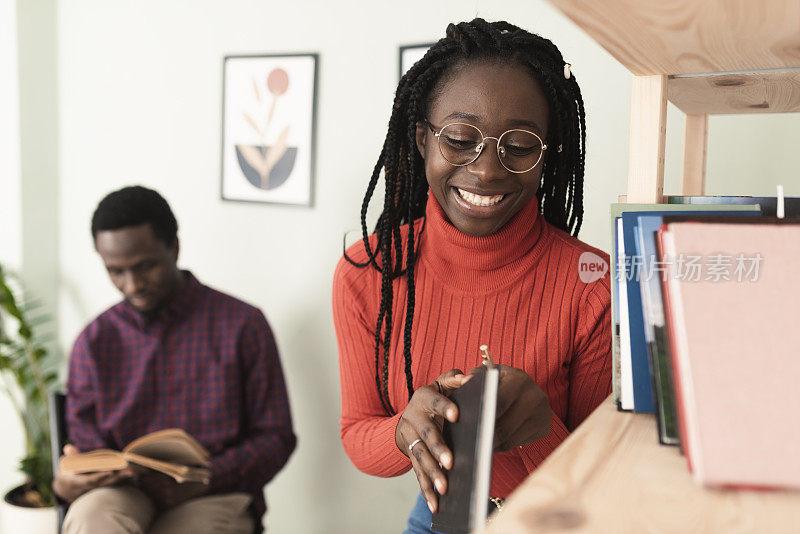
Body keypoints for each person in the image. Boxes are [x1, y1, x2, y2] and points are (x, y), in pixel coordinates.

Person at [332, 19, 611, 533]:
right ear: (422, 139)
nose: (486, 170)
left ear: (549, 153)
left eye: (521, 145)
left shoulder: (593, 284)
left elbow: (606, 474)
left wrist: (541, 426)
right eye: (461, 138)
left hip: (559, 518)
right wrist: (405, 430)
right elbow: (356, 437)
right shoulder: (369, 272)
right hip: (440, 514)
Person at [53, 186, 296, 534]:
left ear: (174, 247)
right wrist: (74, 481)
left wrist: (204, 477)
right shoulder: (94, 341)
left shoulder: (243, 325)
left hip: (213, 492)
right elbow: (88, 446)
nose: (132, 284)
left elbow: (275, 437)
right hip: (123, 491)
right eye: (115, 271)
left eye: (145, 266)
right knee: (91, 520)